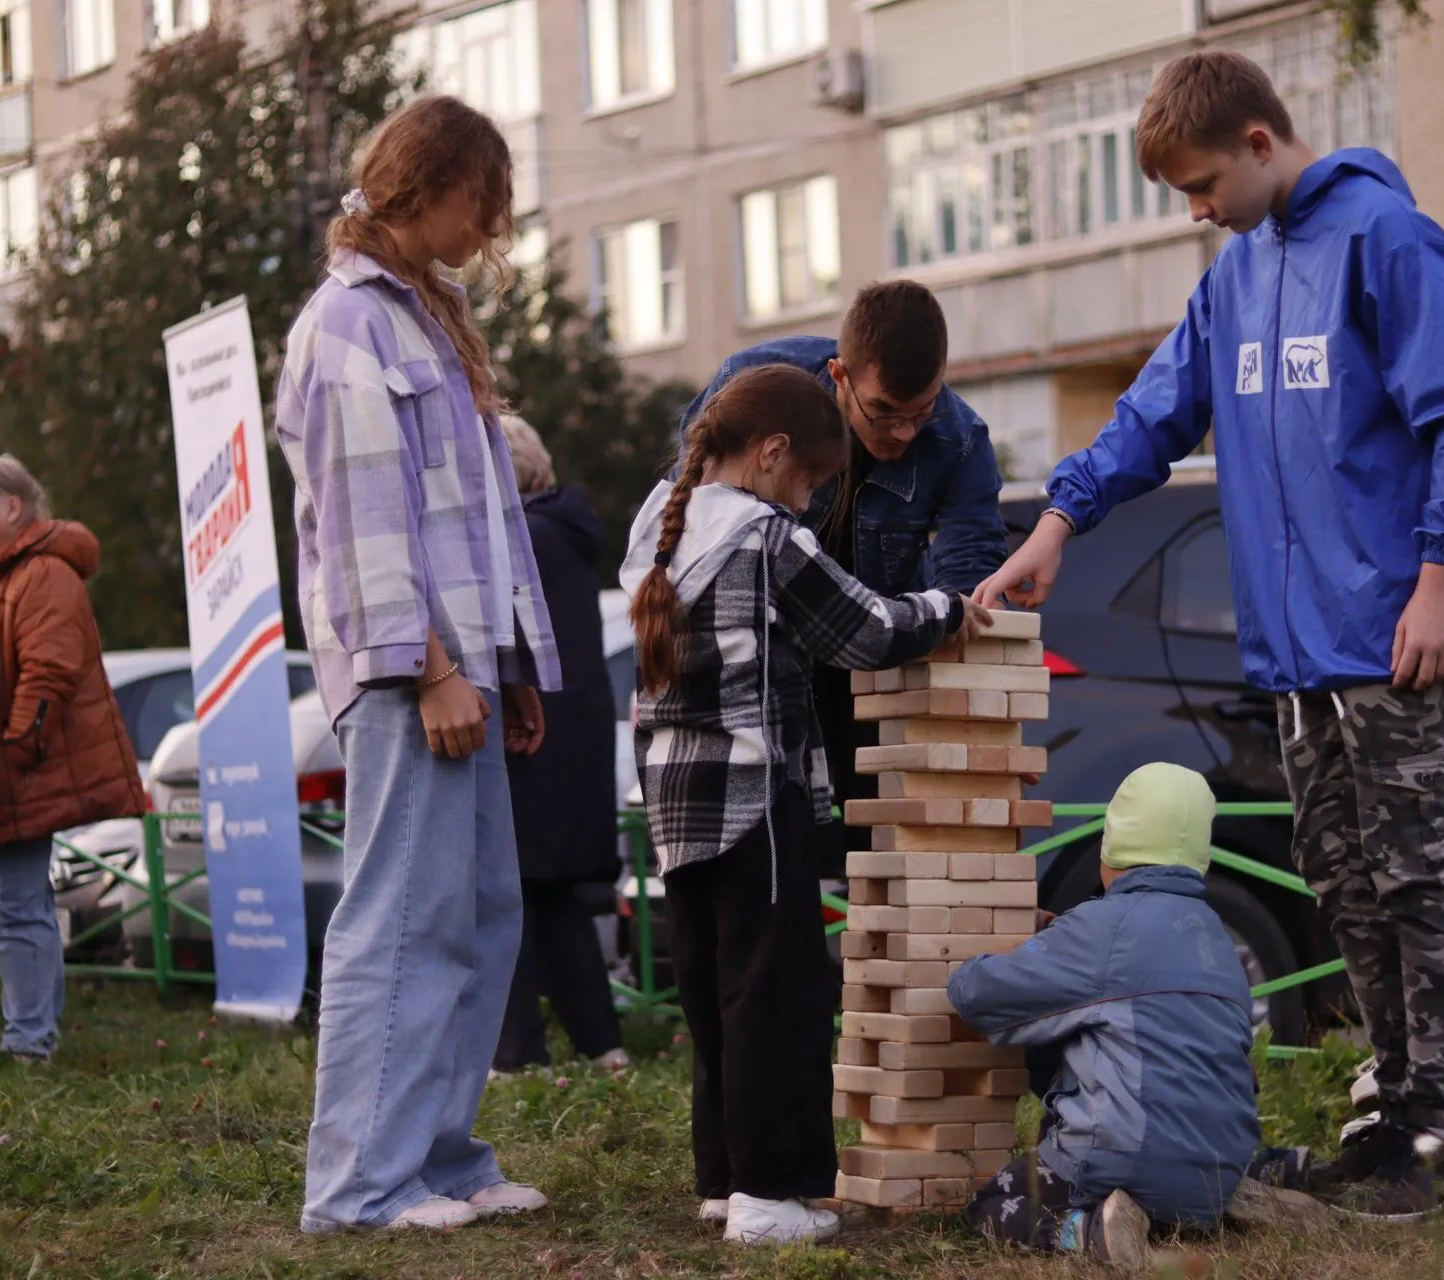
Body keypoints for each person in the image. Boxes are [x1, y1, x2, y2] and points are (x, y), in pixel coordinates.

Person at [973, 50, 1444, 1221]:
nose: (1196, 209)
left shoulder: (1389, 242)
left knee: (1423, 872)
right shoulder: (1237, 274)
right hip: (1300, 647)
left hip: (1396, 634)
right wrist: (1059, 521)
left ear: (1263, 143)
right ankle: (1387, 1108)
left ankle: (1442, 1133)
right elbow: (1153, 411)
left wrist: (1441, 583)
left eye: (1203, 182)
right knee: (1344, 874)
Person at [621, 363, 994, 1247]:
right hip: (755, 792)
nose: (810, 502)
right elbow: (861, 630)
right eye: (810, 483)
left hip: (675, 797)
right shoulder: (764, 535)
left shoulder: (656, 520)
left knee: (715, 991)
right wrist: (946, 605)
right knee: (779, 992)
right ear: (773, 453)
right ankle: (771, 1194)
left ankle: (723, 1180)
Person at [275, 95, 560, 1235]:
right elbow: (364, 528)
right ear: (427, 184)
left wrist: (512, 663)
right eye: (480, 203)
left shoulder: (424, 320)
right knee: (401, 915)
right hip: (407, 671)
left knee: (480, 908)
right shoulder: (346, 326)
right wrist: (436, 667)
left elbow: (481, 515)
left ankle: (439, 1155)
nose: (488, 230)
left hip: (458, 664)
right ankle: (360, 1183)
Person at [679, 284, 1008, 874]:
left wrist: (984, 731)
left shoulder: (960, 438)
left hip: (874, 659)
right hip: (761, 668)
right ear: (838, 374)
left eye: (922, 411)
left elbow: (970, 588)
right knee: (773, 865)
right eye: (884, 412)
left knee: (881, 857)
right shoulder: (755, 389)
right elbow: (688, 524)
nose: (904, 433)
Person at [949, 763, 1258, 1264]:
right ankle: (1225, 1203)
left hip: (1125, 1162)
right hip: (1218, 1172)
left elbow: (977, 994)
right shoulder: (1214, 934)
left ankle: (1087, 1233)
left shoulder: (1102, 928)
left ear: (1111, 845)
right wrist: (1060, 937)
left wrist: (970, 952)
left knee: (995, 1205)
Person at [0, 455, 145, 1063]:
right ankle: (29, 1036)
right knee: (7, 907)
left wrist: (13, 750)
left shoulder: (42, 574)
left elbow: (49, 672)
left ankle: (30, 1043)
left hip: (10, 771)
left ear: (12, 507)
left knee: (14, 908)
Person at [491, 414, 628, 1077]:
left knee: (507, 894)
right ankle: (603, 1046)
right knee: (553, 900)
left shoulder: (523, 539)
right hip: (571, 743)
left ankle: (519, 1056)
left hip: (529, 740)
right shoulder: (564, 534)